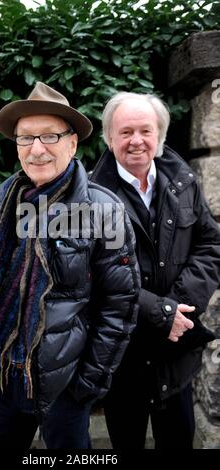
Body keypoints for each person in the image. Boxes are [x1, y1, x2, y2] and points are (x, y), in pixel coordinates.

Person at [0, 82, 140, 450]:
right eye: (25, 138)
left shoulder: (105, 210)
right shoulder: (0, 201)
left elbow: (120, 305)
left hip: (64, 387)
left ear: (72, 142)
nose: (36, 149)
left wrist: (88, 385)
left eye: (50, 136)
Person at [90, 91, 220, 449]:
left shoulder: (184, 182)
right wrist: (161, 312)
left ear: (159, 136)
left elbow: (211, 247)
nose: (136, 141)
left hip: (175, 356)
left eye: (146, 131)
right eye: (126, 132)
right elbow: (90, 273)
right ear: (109, 137)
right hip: (123, 356)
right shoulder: (89, 196)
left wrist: (176, 309)